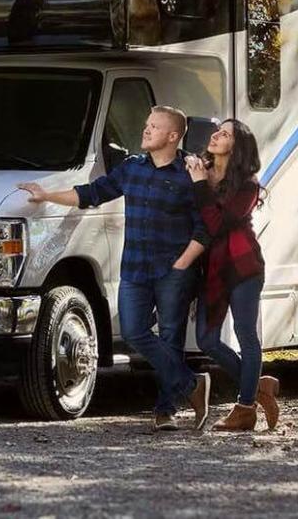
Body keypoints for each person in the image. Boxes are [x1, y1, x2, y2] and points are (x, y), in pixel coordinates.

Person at [18, 106, 212, 431]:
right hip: (135, 269)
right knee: (134, 333)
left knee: (170, 339)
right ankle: (193, 385)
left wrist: (184, 267)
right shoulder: (132, 169)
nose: (146, 130)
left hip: (174, 273)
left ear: (173, 136)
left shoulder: (189, 174)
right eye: (147, 124)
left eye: (155, 127)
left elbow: (204, 227)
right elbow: (92, 194)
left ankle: (166, 411)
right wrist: (47, 194)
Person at [184, 118, 281, 431]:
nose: (216, 136)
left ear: (236, 147)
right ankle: (258, 386)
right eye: (217, 131)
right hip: (211, 269)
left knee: (245, 335)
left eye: (224, 134)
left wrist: (200, 184)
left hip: (243, 268)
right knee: (207, 340)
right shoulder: (199, 171)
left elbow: (216, 223)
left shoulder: (248, 185)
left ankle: (244, 408)